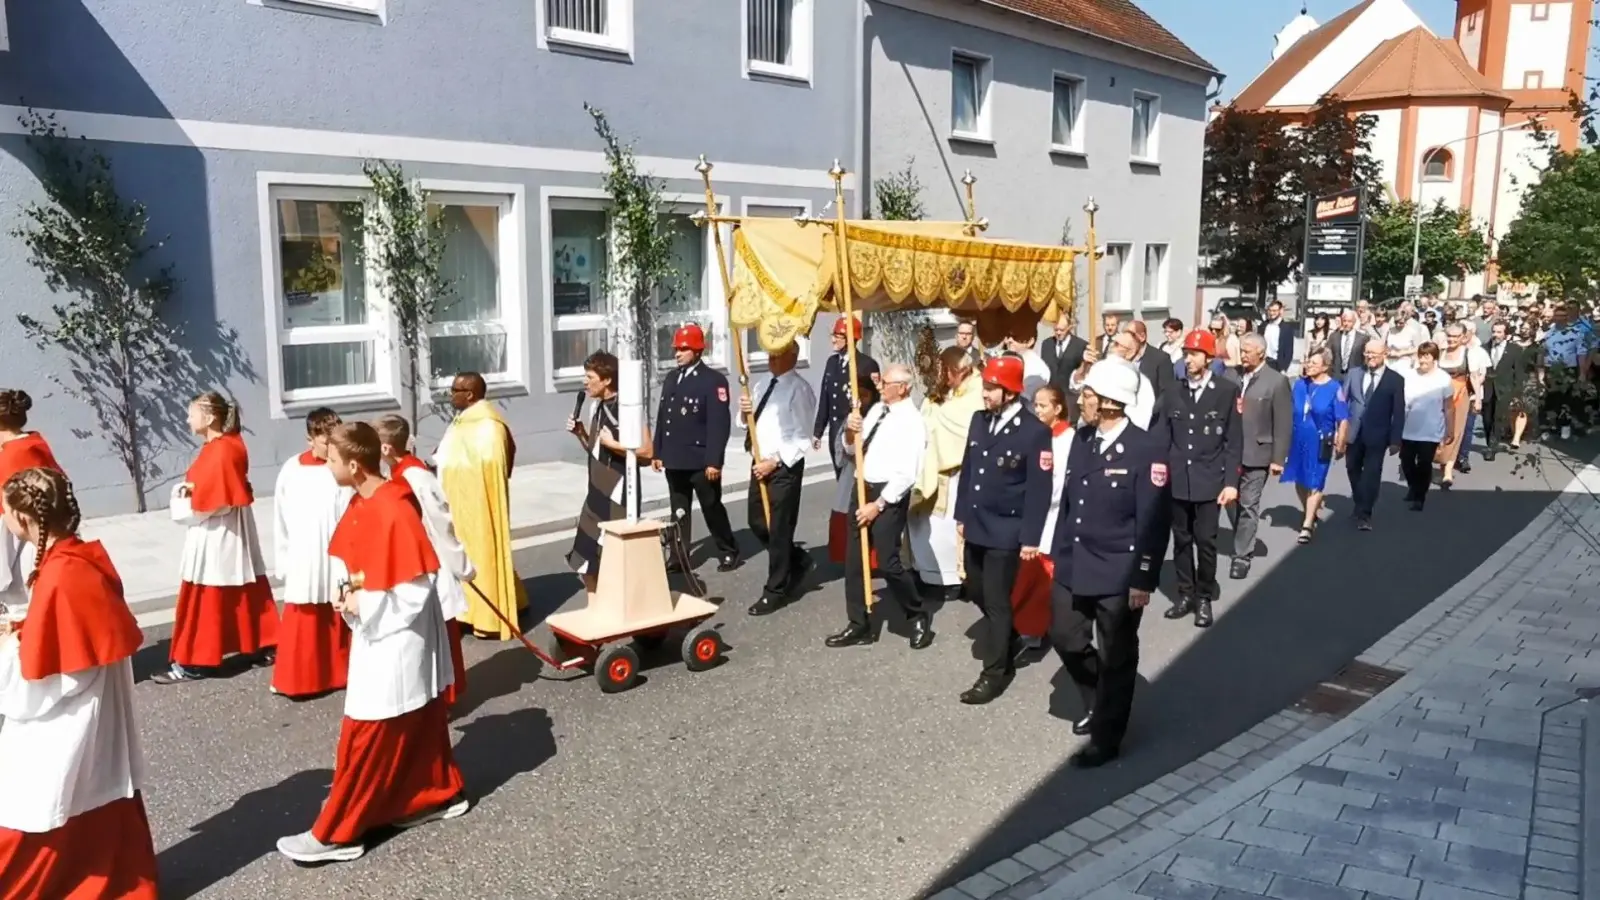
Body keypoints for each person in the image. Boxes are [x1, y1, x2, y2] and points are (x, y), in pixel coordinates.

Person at [278, 423, 467, 864]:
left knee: (369, 734)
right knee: (418, 726)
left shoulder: (394, 508)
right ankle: (435, 796)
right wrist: (348, 593)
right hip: (382, 633)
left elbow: (417, 587)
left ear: (355, 465)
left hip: (398, 639)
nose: (325, 465)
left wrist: (363, 603)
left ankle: (339, 832)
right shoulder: (366, 499)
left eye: (331, 460)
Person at [0, 467, 158, 899]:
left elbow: (47, 679)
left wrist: (7, 654)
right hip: (92, 709)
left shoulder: (61, 573)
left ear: (23, 518)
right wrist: (23, 629)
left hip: (71, 715)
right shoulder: (76, 555)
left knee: (28, 798)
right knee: (90, 795)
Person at [1047, 361, 1169, 769]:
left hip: (1119, 570)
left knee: (1116, 653)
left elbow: (1154, 519)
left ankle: (1107, 735)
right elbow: (1069, 504)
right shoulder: (1082, 440)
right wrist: (1055, 551)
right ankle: (1099, 696)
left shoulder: (1146, 448)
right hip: (1074, 560)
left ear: (1110, 403)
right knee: (1064, 636)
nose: (1080, 399)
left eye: (1087, 394)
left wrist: (1143, 578)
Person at [153, 392, 279, 684]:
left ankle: (197, 661)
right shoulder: (224, 446)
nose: (187, 419)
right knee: (241, 591)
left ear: (209, 417)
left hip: (217, 530)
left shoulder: (222, 449)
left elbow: (215, 501)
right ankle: (261, 645)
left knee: (209, 596)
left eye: (191, 413)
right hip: (224, 528)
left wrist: (183, 501)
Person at [953, 357, 1053, 705]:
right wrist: (961, 514)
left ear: (1010, 392)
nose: (985, 394)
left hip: (1007, 529)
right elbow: (969, 470)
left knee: (996, 599)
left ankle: (996, 672)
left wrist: (1030, 538)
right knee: (975, 588)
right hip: (977, 522)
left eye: (992, 388)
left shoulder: (1034, 431)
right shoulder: (980, 421)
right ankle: (1009, 634)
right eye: (985, 386)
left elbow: (1040, 489)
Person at [826, 365, 930, 650]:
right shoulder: (876, 411)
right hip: (863, 486)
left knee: (888, 562)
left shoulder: (912, 421)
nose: (880, 385)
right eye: (881, 380)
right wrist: (850, 431)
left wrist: (878, 505)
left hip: (889, 494)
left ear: (904, 387)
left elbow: (908, 473)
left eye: (886, 382)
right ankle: (859, 624)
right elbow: (852, 451)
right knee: (855, 560)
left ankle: (917, 613)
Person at [378, 415, 475, 709]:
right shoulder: (396, 474)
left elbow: (441, 524)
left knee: (438, 635)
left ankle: (443, 696)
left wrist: (461, 566)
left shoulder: (417, 477)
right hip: (411, 563)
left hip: (430, 565)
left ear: (385, 449)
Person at [270, 407, 354, 699]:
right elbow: (280, 515)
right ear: (310, 439)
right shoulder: (292, 470)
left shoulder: (343, 467)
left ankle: (339, 674)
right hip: (305, 552)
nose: (331, 448)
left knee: (337, 613)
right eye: (324, 442)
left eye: (335, 441)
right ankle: (301, 680)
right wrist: (284, 557)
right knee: (304, 616)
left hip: (336, 552)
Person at [437, 371, 528, 640]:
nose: (451, 395)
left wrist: (456, 468)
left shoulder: (489, 424)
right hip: (456, 499)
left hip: (478, 501)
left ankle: (487, 615)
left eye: (455, 390)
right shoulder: (462, 420)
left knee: (483, 552)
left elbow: (492, 462)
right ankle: (469, 609)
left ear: (470, 394)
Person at [1162, 330, 1241, 628]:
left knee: (1206, 541)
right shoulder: (1173, 391)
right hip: (1179, 479)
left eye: (1194, 354)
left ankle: (1204, 596)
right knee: (1181, 540)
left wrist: (1231, 482)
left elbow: (1234, 441)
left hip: (1210, 479)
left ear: (1208, 358)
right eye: (1186, 353)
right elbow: (1163, 435)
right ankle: (1185, 594)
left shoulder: (1225, 391)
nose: (1188, 359)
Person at [652, 324, 741, 573]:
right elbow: (663, 418)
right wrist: (658, 452)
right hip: (675, 459)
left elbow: (718, 425)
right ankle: (678, 555)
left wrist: (714, 461)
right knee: (679, 511)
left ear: (698, 351)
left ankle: (727, 549)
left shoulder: (712, 381)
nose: (677, 353)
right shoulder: (671, 378)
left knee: (711, 507)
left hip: (701, 461)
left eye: (683, 349)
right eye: (676, 349)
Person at [740, 341, 818, 616]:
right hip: (759, 462)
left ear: (792, 356)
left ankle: (775, 589)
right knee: (757, 521)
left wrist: (774, 462)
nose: (771, 358)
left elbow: (803, 436)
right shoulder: (763, 384)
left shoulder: (800, 390)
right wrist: (744, 410)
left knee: (780, 529)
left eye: (777, 353)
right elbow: (751, 421)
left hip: (783, 466)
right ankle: (796, 559)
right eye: (770, 353)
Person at [908, 348, 983, 597]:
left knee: (948, 527)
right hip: (932, 467)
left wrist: (935, 417)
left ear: (960, 369)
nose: (942, 374)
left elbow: (961, 423)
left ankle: (952, 578)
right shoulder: (946, 391)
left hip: (956, 472)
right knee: (924, 524)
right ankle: (926, 573)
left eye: (946, 369)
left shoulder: (977, 389)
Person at [1010, 384, 1073, 655]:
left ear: (1058, 409)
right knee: (1027, 573)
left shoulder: (1067, 439)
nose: (1037, 410)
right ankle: (1028, 624)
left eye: (1043, 406)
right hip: (1031, 511)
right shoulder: (1036, 434)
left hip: (1053, 513)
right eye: (1035, 405)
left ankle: (1037, 629)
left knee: (1042, 575)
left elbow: (1058, 480)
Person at [1228, 334, 1292, 579]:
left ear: (1261, 353)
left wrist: (1278, 458)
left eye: (1247, 351)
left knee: (1248, 503)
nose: (1243, 355)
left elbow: (1283, 422)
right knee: (1230, 502)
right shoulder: (1230, 375)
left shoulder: (1276, 381)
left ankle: (1241, 556)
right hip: (1230, 452)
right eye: (1241, 350)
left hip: (1258, 452)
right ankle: (1242, 535)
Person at [0, 390, 64, 618]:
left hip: (23, 540)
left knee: (23, 608)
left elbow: (7, 516)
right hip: (46, 533)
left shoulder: (12, 457)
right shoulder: (33, 443)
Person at [1280, 348, 1349, 544]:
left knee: (1315, 481)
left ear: (1326, 367)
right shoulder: (1300, 385)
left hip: (1320, 441)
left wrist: (1341, 442)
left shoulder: (1335, 388)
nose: (1309, 366)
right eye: (1308, 362)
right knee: (1299, 480)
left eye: (1314, 363)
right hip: (1298, 439)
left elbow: (1342, 418)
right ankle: (1309, 509)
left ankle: (1307, 524)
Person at [1340, 341, 1406, 532]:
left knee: (1371, 473)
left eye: (1374, 353)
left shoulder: (1395, 379)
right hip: (1353, 432)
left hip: (1378, 434)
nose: (1370, 357)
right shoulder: (1354, 373)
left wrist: (1395, 440)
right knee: (1352, 468)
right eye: (1367, 353)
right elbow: (1342, 403)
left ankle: (1365, 513)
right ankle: (1359, 500)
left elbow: (1398, 412)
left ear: (1384, 353)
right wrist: (1340, 431)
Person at [813, 316, 879, 476]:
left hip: (854, 429)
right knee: (840, 475)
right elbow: (825, 398)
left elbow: (874, 402)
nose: (833, 340)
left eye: (838, 336)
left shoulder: (866, 364)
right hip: (835, 431)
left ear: (850, 339)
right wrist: (818, 432)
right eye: (833, 335)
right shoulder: (831, 363)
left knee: (855, 477)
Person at [1400, 343, 1454, 511]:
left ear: (1434, 358)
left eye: (1427, 356)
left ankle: (1419, 497)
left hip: (1430, 429)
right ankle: (1413, 486)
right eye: (1421, 355)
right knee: (1406, 461)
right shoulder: (1409, 376)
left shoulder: (1443, 378)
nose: (1423, 360)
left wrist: (1450, 429)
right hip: (1409, 427)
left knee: (1424, 464)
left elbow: (1449, 406)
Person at [1434, 323, 1474, 489]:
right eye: (1449, 335)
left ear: (1463, 337)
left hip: (1459, 394)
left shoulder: (1468, 353)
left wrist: (1477, 398)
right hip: (1439, 395)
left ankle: (1448, 471)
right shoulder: (1440, 352)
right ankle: (1440, 459)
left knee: (1455, 431)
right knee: (1438, 430)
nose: (1451, 339)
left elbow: (1476, 376)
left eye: (1456, 336)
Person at [1328, 309, 1369, 381]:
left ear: (1354, 322)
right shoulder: (1334, 336)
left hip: (1355, 376)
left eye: (1349, 321)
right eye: (1344, 321)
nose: (1346, 323)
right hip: (1336, 375)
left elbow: (1366, 358)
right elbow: (1327, 354)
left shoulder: (1363, 338)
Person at [1261, 301, 1296, 372]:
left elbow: (1289, 350)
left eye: (1274, 311)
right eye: (1270, 310)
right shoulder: (1264, 325)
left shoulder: (1286, 328)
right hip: (1263, 362)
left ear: (1280, 311)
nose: (1271, 313)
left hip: (1277, 364)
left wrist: (1284, 368)